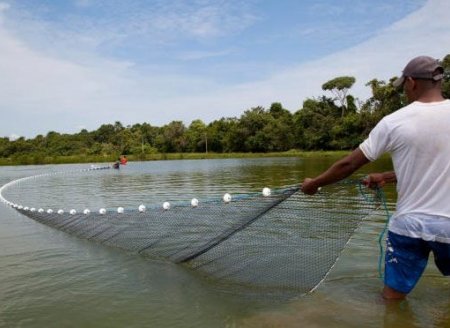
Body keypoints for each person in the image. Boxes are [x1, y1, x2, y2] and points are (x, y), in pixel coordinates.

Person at [301, 55, 449, 300]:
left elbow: (349, 163)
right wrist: (387, 177)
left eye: (404, 86)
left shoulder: (394, 122)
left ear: (411, 82)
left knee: (392, 298)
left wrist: (313, 184)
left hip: (408, 226)